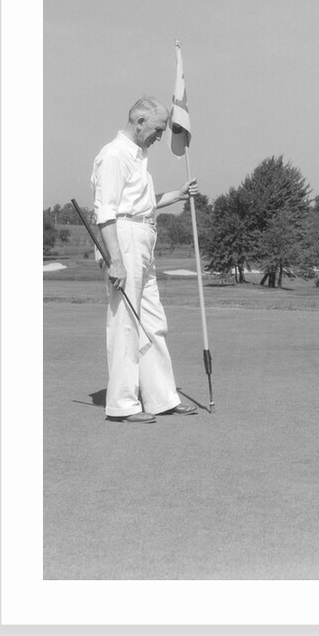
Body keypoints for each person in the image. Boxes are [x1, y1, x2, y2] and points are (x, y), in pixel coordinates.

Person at [91, 96, 199, 423]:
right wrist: (115, 260)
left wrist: (177, 195)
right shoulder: (113, 156)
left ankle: (161, 397)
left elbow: (144, 203)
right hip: (123, 239)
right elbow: (106, 212)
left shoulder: (138, 156)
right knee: (125, 322)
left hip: (143, 237)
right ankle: (122, 403)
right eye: (157, 129)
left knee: (153, 321)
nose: (160, 136)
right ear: (139, 121)